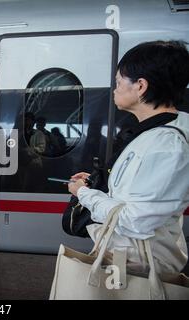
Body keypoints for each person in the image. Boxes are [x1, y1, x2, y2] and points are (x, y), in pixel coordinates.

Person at [68, 40, 189, 274]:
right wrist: (98, 182)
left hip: (141, 268)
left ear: (140, 86)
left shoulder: (167, 145)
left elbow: (136, 220)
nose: (114, 89)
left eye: (118, 82)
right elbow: (137, 193)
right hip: (128, 261)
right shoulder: (153, 133)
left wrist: (83, 193)